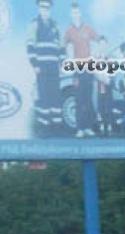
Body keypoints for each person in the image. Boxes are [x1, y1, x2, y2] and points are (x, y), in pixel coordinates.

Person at [26, 0, 64, 135]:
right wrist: (35, 64)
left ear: (50, 9)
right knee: (44, 96)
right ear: (39, 8)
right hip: (42, 66)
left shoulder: (55, 25)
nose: (45, 9)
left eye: (47, 7)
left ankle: (56, 124)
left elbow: (61, 47)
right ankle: (44, 126)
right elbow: (30, 46)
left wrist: (62, 63)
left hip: (54, 66)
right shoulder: (34, 24)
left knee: (55, 95)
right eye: (42, 7)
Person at [63, 1, 98, 138]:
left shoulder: (88, 28)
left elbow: (97, 42)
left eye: (77, 12)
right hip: (77, 70)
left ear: (80, 13)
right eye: (73, 13)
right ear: (71, 15)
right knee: (79, 99)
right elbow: (64, 46)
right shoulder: (69, 31)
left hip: (88, 69)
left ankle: (89, 127)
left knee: (88, 99)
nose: (75, 14)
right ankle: (80, 129)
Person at [94, 36, 114, 135]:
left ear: (106, 45)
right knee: (100, 106)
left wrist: (108, 79)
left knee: (108, 105)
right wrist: (101, 78)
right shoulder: (96, 58)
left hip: (108, 85)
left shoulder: (110, 58)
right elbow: (94, 71)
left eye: (104, 44)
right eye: (100, 44)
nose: (102, 46)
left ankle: (109, 126)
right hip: (99, 86)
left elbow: (112, 71)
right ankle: (101, 126)